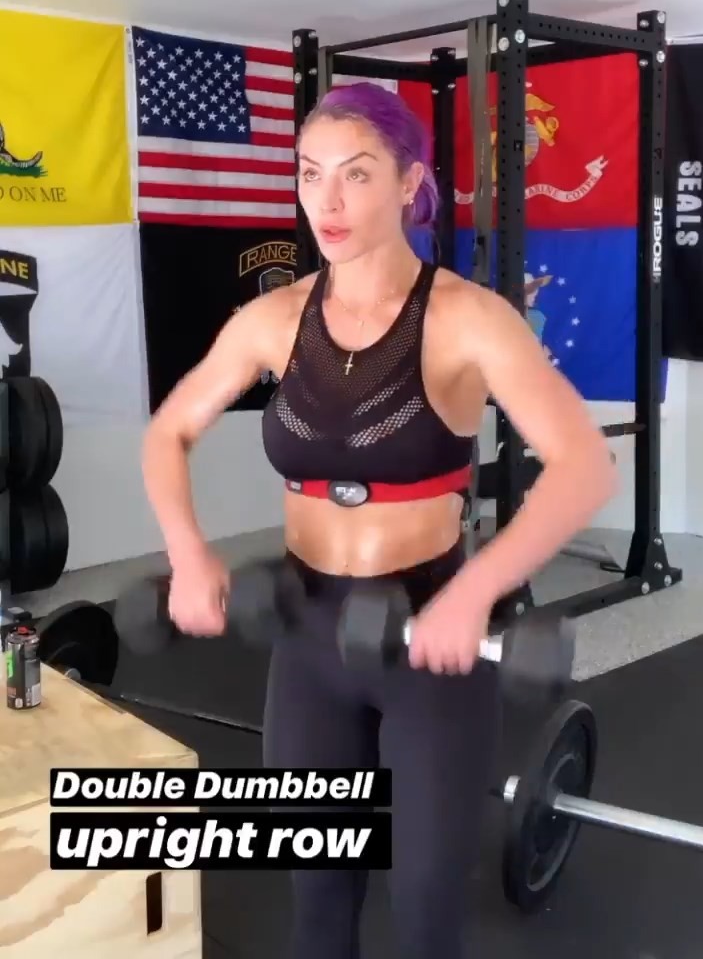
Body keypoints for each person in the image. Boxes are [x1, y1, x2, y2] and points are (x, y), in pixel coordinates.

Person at [141, 81, 618, 959]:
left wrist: (474, 592)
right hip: (308, 635)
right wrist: (190, 552)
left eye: (356, 174)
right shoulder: (272, 320)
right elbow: (168, 432)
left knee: (426, 906)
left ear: (409, 183)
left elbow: (585, 465)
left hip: (430, 637)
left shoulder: (468, 319)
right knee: (318, 897)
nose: (326, 200)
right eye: (309, 173)